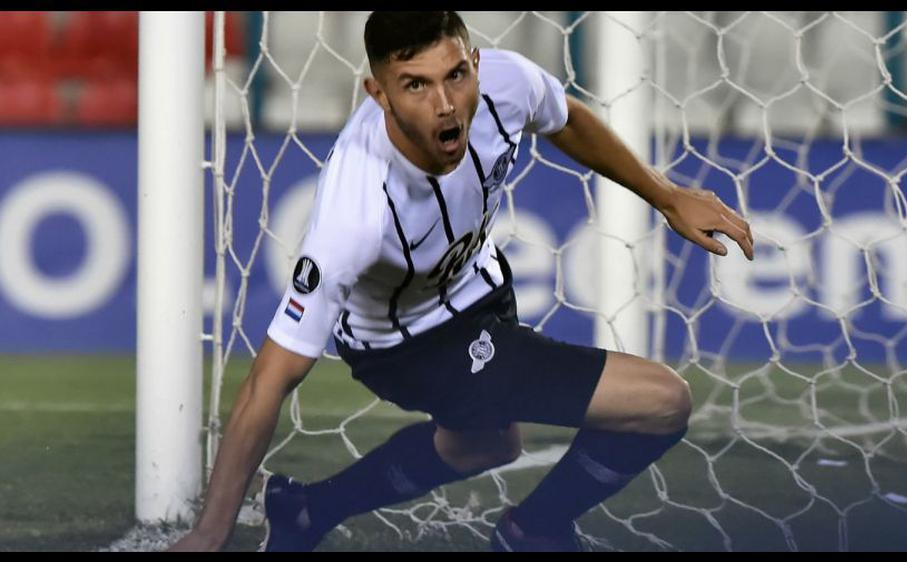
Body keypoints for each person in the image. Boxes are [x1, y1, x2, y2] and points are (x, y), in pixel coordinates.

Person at [169, 11, 753, 553]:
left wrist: (666, 194)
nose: (446, 104)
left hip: (481, 287)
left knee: (488, 444)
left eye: (455, 75)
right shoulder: (355, 211)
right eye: (415, 85)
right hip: (407, 344)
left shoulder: (506, 83)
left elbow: (566, 119)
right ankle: (535, 530)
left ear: (474, 62)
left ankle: (306, 510)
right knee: (662, 402)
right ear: (379, 94)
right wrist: (210, 533)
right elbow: (267, 381)